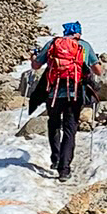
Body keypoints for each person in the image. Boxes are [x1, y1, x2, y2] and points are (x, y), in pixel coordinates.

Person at [28, 20, 101, 181]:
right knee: (70, 129)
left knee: (53, 124)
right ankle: (64, 169)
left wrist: (33, 56)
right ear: (78, 33)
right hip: (75, 94)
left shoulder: (53, 43)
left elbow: (35, 66)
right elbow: (98, 70)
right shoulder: (84, 46)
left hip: (53, 94)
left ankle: (55, 158)